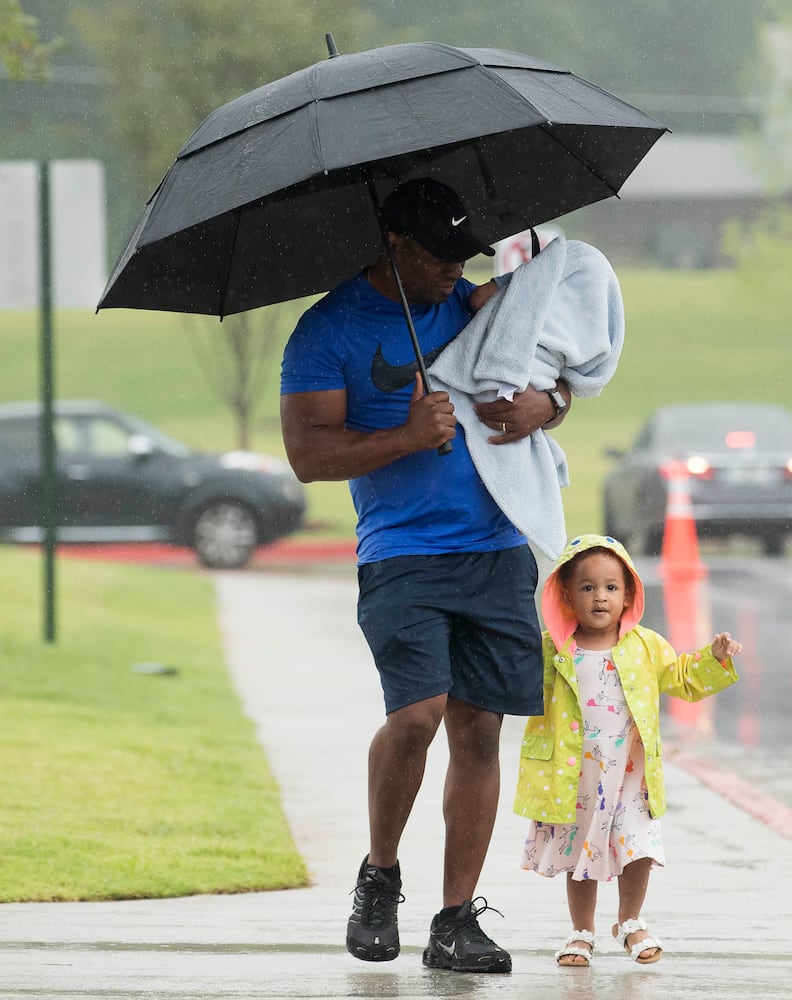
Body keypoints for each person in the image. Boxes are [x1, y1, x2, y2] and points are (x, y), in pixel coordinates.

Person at [279, 177, 572, 974]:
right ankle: (380, 877)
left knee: (479, 731)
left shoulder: (477, 308)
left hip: (496, 547)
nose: (455, 270)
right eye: (440, 256)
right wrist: (406, 436)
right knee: (418, 717)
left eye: (462, 255)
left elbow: (559, 375)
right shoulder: (324, 331)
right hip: (402, 554)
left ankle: (455, 921)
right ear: (397, 245)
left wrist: (549, 405)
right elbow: (308, 456)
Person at [514, 533, 743, 967]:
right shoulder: (553, 650)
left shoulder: (645, 646)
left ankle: (630, 921)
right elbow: (516, 683)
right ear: (565, 594)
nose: (600, 598)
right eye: (588, 588)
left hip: (631, 776)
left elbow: (681, 678)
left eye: (611, 588)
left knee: (637, 847)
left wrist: (713, 659)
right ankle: (582, 931)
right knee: (582, 852)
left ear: (628, 594)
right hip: (577, 777)